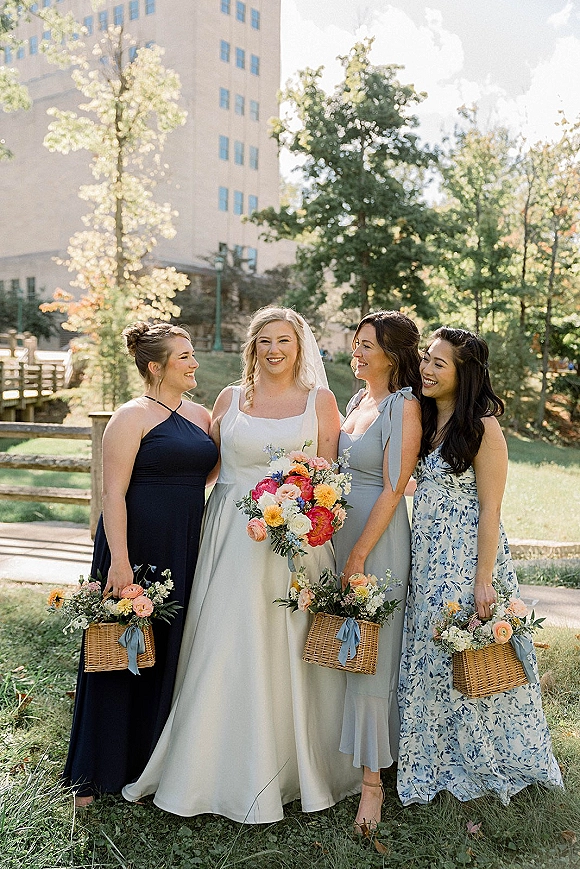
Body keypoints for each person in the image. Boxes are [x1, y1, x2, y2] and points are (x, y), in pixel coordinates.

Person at [123, 306, 361, 822]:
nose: (274, 350)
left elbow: (331, 479)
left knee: (291, 646)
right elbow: (202, 466)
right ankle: (208, 765)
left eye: (284, 341)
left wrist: (301, 513)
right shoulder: (230, 399)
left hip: (294, 542)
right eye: (263, 342)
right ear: (251, 347)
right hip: (229, 534)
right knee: (224, 641)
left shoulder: (320, 402)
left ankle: (296, 766)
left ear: (300, 348)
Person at [397, 327, 563, 805]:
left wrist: (483, 579)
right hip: (427, 559)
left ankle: (490, 754)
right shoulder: (428, 421)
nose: (426, 368)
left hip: (468, 559)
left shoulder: (483, 427)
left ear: (463, 373)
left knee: (476, 662)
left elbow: (491, 509)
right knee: (430, 660)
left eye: (438, 363)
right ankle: (434, 755)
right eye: (426, 358)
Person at [63, 322, 218, 806]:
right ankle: (94, 772)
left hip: (184, 546)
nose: (194, 363)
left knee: (167, 652)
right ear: (156, 367)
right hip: (133, 548)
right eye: (185, 357)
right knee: (118, 655)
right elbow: (113, 493)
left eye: (192, 355)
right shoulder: (130, 417)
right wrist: (120, 564)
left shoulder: (200, 414)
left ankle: (149, 764)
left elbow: (211, 471)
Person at [333, 311, 422, 833]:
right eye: (356, 343)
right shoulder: (355, 402)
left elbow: (394, 488)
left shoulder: (403, 405)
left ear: (391, 353)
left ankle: (373, 786)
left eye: (368, 346)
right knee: (344, 645)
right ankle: (339, 763)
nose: (358, 353)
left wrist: (360, 554)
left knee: (373, 653)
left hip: (378, 539)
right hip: (342, 530)